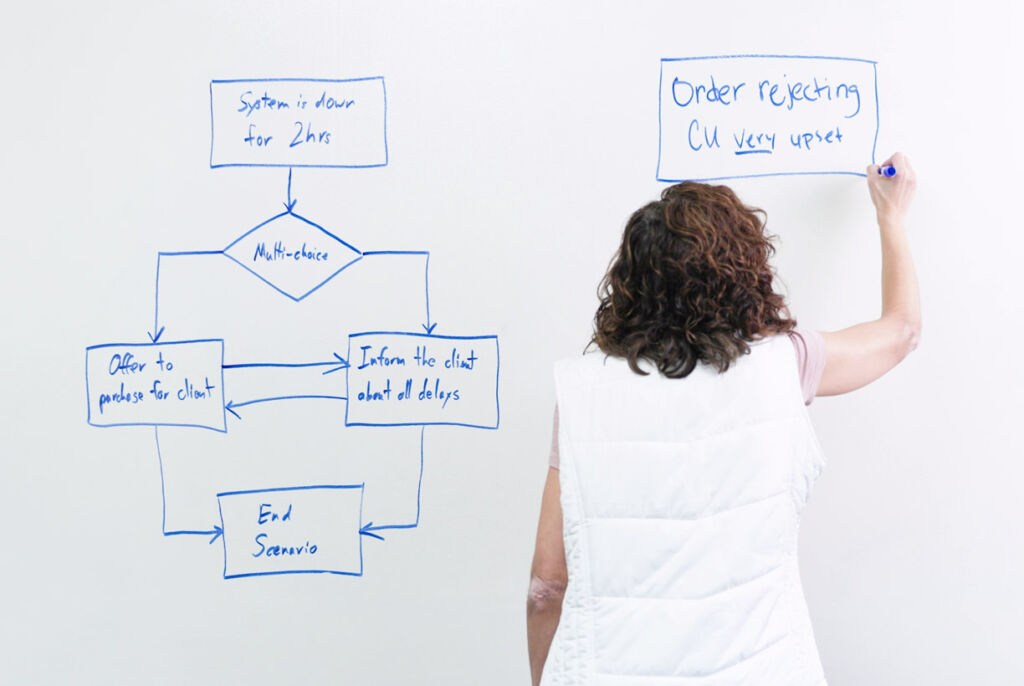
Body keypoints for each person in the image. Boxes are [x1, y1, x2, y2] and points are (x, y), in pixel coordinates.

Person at [526, 153, 920, 685]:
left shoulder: (580, 393)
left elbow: (547, 585)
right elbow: (901, 333)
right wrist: (890, 216)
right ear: (745, 273)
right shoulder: (788, 364)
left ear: (629, 281)